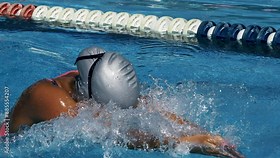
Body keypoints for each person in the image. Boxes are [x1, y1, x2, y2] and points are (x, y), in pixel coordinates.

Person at [0, 46, 244, 158]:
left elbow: (151, 108)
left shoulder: (83, 81)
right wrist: (184, 143)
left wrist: (206, 135)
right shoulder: (48, 98)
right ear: (88, 92)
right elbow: (110, 134)